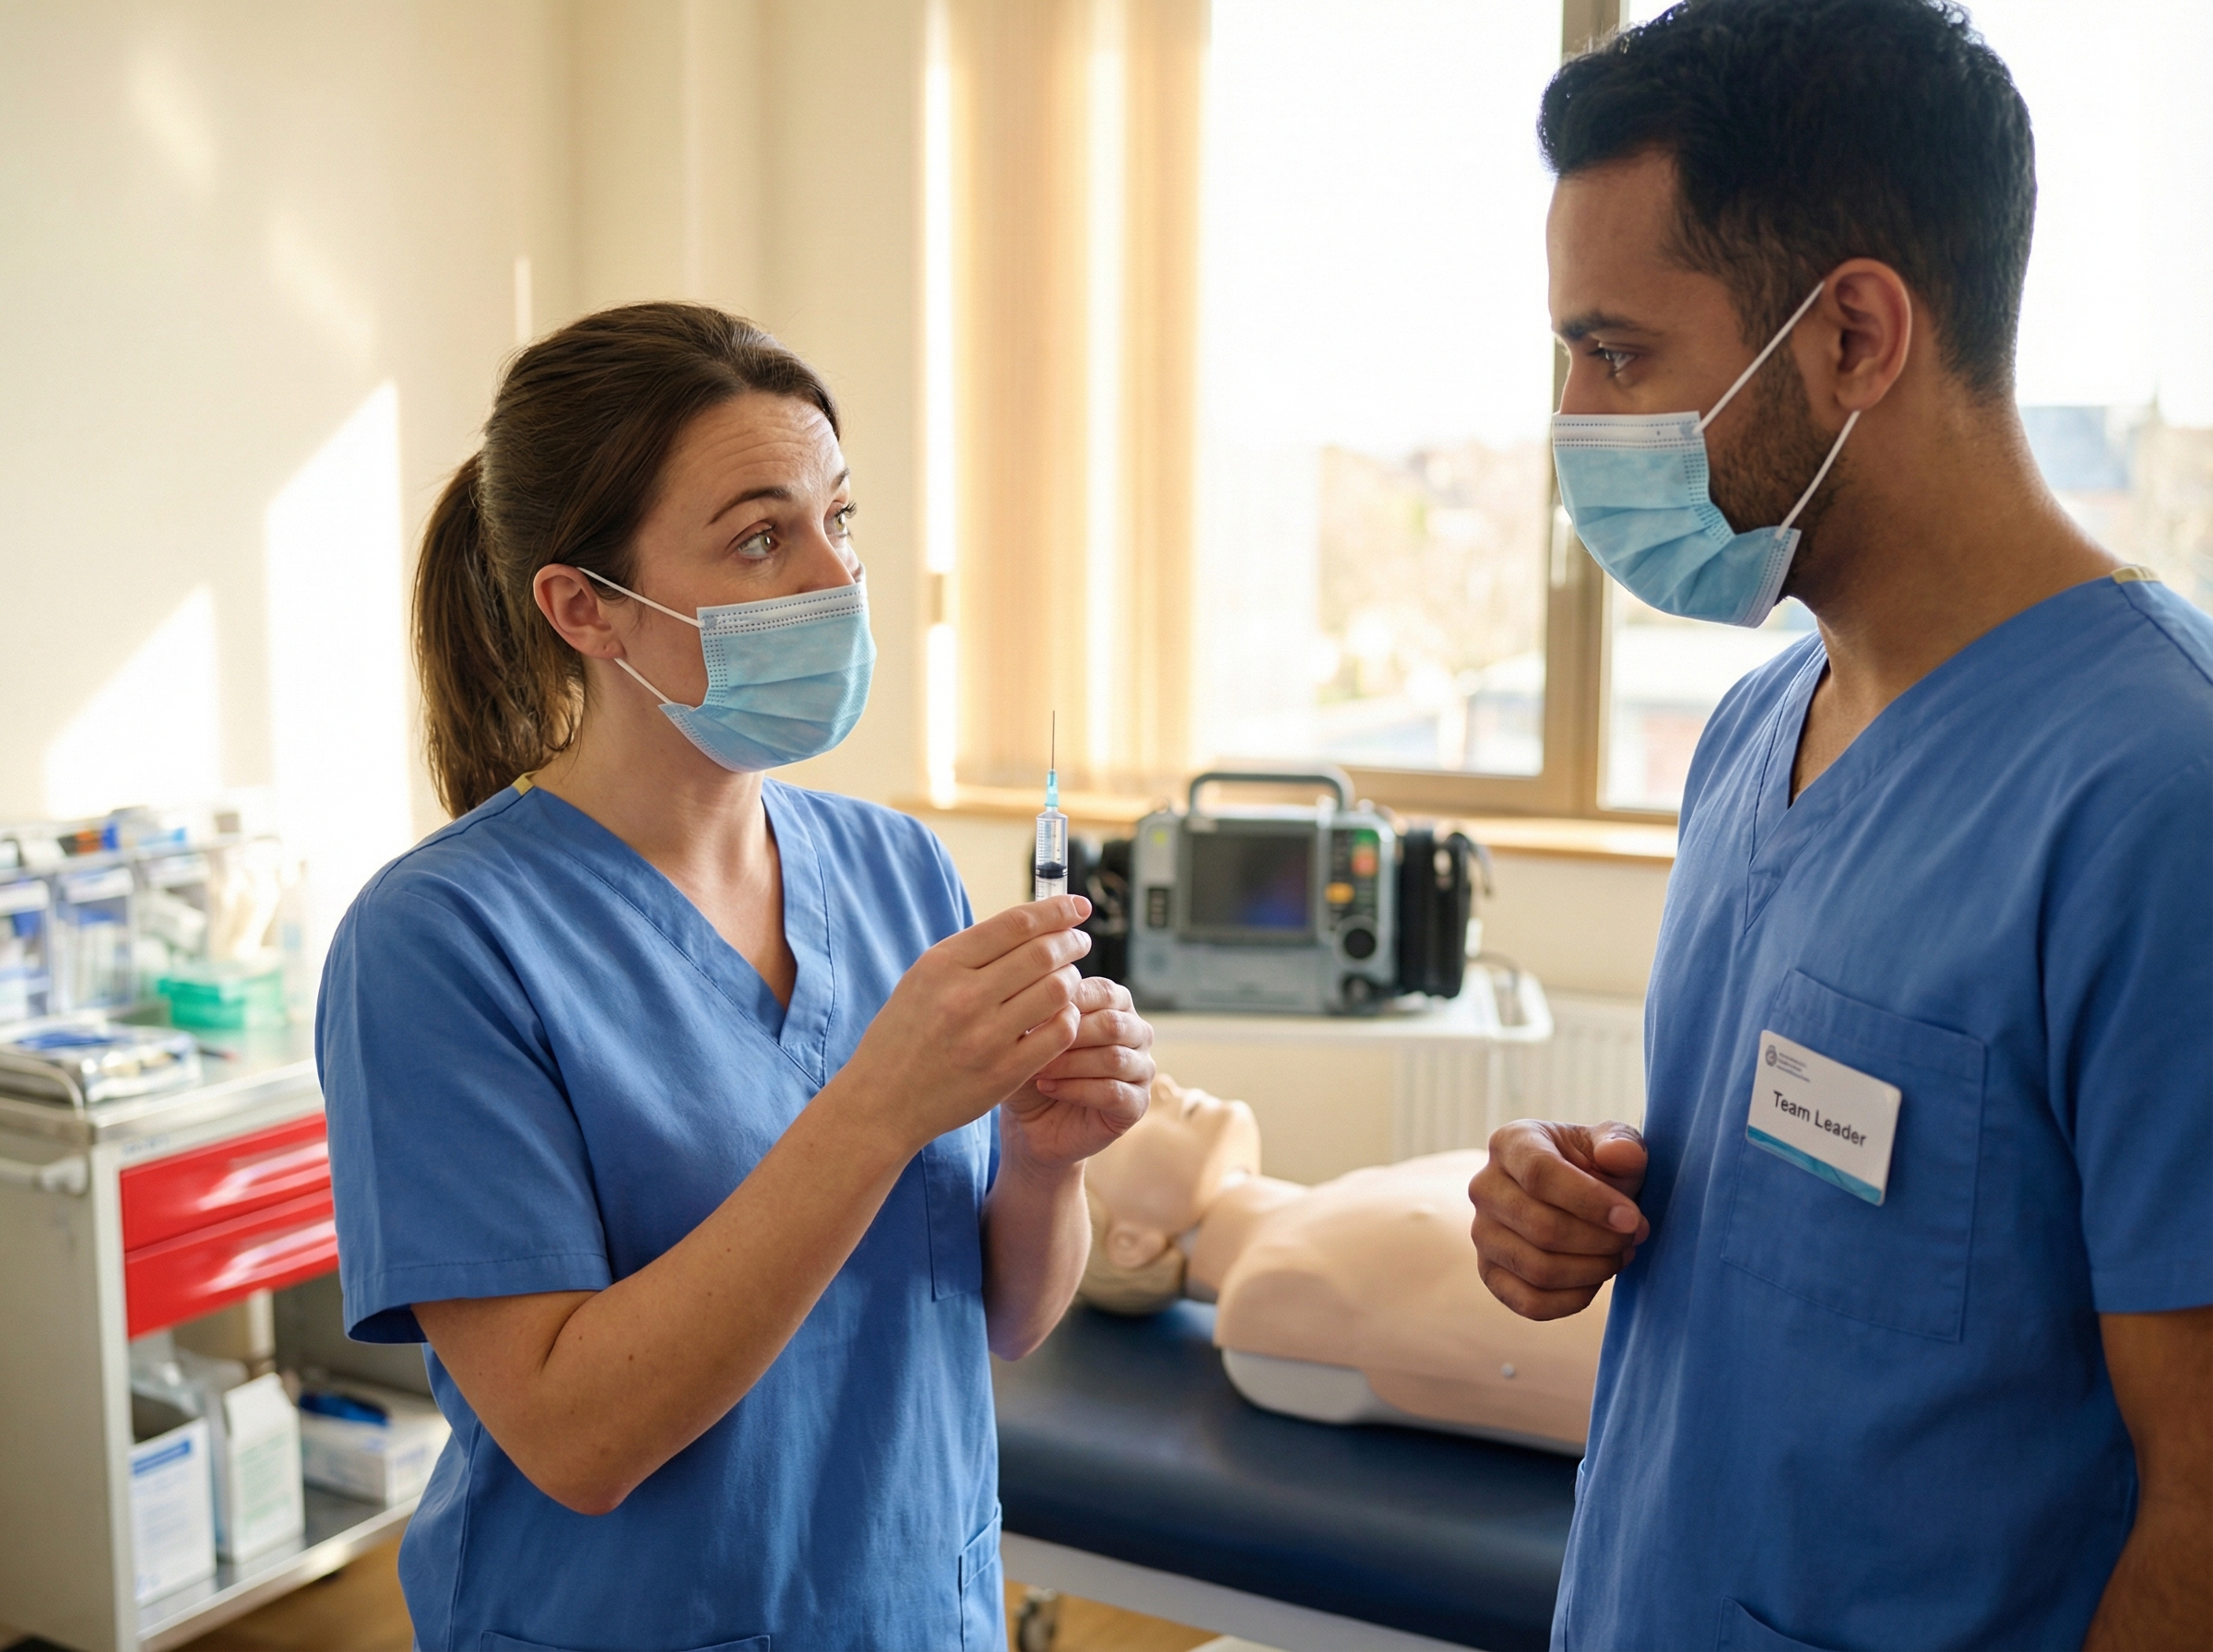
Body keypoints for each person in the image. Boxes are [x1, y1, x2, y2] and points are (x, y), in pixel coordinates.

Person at [1466, 3, 2213, 1648]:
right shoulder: (1755, 732)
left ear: (1856, 336)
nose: (1579, 427)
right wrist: (1582, 1209)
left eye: (1616, 354)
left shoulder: (2162, 798)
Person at [317, 301, 1155, 1651]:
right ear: (586, 606)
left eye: (842, 516)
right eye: (763, 537)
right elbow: (576, 1442)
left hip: (912, 1612)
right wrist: (878, 1108)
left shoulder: (901, 872)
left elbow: (1006, 1319)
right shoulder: (439, 944)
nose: (834, 575)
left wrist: (1050, 1164)